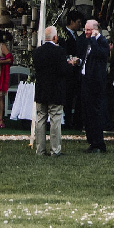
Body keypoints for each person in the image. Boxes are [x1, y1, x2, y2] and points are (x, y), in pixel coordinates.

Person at [76, 19, 114, 154]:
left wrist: (93, 39)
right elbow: (88, 58)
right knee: (87, 113)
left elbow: (100, 54)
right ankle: (91, 141)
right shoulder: (88, 42)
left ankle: (99, 142)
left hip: (96, 83)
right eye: (85, 30)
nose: (85, 32)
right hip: (86, 80)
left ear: (95, 30)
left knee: (95, 113)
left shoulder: (102, 42)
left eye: (88, 30)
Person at [30, 26, 70, 157]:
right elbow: (63, 71)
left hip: (41, 89)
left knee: (40, 120)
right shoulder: (60, 52)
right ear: (55, 37)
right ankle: (55, 149)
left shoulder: (37, 52)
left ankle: (40, 149)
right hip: (55, 90)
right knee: (55, 120)